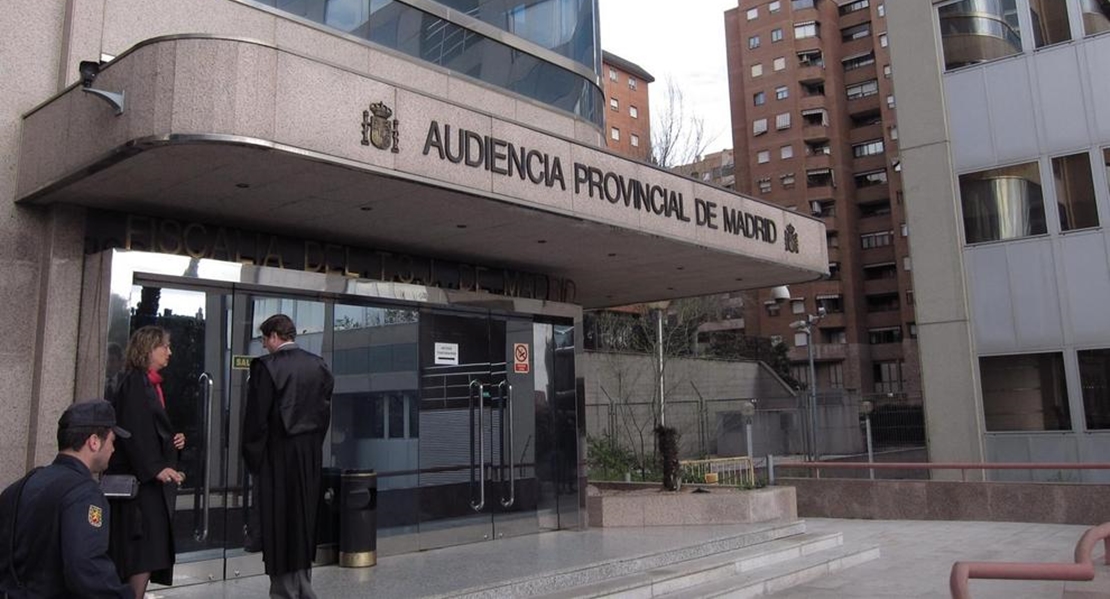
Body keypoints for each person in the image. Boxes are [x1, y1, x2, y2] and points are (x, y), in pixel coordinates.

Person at [0, 399, 134, 598]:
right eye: (112, 441)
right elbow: (86, 568)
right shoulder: (84, 494)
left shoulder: (20, 486)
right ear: (94, 442)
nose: (113, 449)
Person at [243, 314, 334, 599]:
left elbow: (256, 420)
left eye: (264, 339)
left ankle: (284, 591)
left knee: (278, 522)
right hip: (309, 455)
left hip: (276, 456)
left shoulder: (266, 367)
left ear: (274, 336)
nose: (264, 346)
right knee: (303, 520)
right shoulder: (318, 365)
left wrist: (253, 458)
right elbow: (324, 413)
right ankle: (304, 586)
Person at [106, 326, 187, 598]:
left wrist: (174, 441)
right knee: (143, 551)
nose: (169, 352)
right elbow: (134, 431)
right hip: (140, 485)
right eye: (164, 346)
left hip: (147, 482)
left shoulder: (151, 384)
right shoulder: (135, 384)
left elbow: (151, 430)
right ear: (148, 348)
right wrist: (155, 468)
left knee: (148, 550)